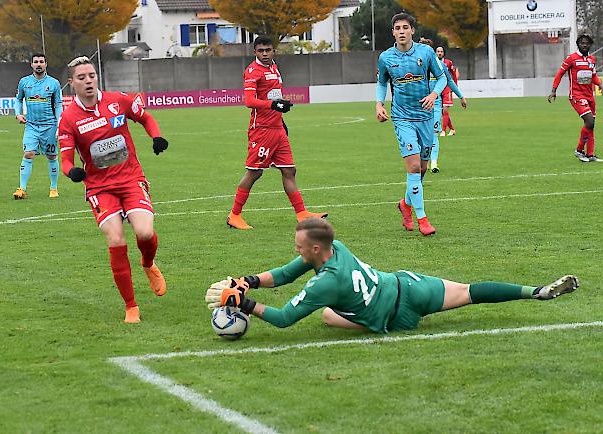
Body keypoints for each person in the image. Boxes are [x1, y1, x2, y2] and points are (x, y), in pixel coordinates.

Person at [205, 218, 579, 334]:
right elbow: (287, 273)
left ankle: (370, 321)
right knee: (469, 291)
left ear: (316, 249)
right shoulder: (338, 248)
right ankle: (536, 291)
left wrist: (245, 303)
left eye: (300, 245)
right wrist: (250, 280)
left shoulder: (325, 282)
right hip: (406, 284)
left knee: (325, 315)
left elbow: (285, 318)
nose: (297, 249)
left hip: (393, 317)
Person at [58, 56, 170, 323]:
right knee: (116, 240)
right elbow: (65, 159)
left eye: (92, 75)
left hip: (131, 179)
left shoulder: (118, 100)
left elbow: (146, 118)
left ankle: (147, 263)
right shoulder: (69, 118)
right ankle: (131, 307)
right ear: (71, 83)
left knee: (144, 232)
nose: (88, 81)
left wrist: (156, 137)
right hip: (99, 188)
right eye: (82, 77)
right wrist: (72, 171)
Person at [226, 35, 328, 230]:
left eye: (268, 50)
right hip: (262, 130)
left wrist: (281, 118)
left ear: (274, 51)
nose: (265, 54)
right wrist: (273, 104)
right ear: (254, 52)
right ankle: (234, 215)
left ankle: (301, 213)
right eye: (261, 51)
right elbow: (249, 101)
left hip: (277, 128)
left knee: (289, 170)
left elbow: (275, 96)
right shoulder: (252, 71)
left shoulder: (274, 67)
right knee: (254, 172)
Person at [376, 13, 447, 236]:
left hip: (425, 117)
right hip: (402, 117)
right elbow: (381, 83)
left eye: (406, 27)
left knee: (423, 168)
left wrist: (435, 94)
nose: (402, 31)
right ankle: (422, 220)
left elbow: (442, 77)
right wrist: (379, 104)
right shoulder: (386, 57)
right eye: (398, 28)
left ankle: (405, 204)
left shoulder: (425, 53)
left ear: (412, 31)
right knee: (414, 166)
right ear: (393, 32)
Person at [13, 53, 63, 199]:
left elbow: (58, 104)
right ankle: (22, 188)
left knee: (52, 156)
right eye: (36, 62)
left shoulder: (54, 83)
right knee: (28, 153)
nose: (39, 64)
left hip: (50, 126)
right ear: (31, 64)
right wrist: (18, 113)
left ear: (46, 64)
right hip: (31, 126)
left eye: (41, 61)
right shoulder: (24, 82)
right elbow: (18, 99)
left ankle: (53, 188)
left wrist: (60, 123)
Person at [549, 34, 602, 162]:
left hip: (590, 96)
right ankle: (579, 150)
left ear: (590, 45)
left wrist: (599, 84)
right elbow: (560, 74)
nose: (585, 45)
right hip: (576, 95)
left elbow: (593, 76)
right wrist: (554, 90)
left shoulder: (591, 60)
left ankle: (590, 154)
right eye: (582, 43)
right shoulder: (571, 58)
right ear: (578, 44)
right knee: (589, 121)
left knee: (591, 125)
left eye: (587, 43)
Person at [419, 38, 467, 173]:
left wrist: (461, 96)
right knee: (421, 136)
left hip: (435, 104)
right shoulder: (415, 65)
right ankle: (424, 161)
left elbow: (450, 81)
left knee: (433, 134)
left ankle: (434, 163)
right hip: (419, 106)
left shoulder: (440, 66)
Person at [435, 46, 460, 137]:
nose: (439, 53)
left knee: (445, 110)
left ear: (444, 53)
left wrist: (455, 87)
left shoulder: (448, 63)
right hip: (438, 89)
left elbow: (453, 75)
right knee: (442, 111)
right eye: (438, 51)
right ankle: (452, 129)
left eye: (441, 51)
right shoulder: (433, 63)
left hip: (447, 89)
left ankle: (443, 131)